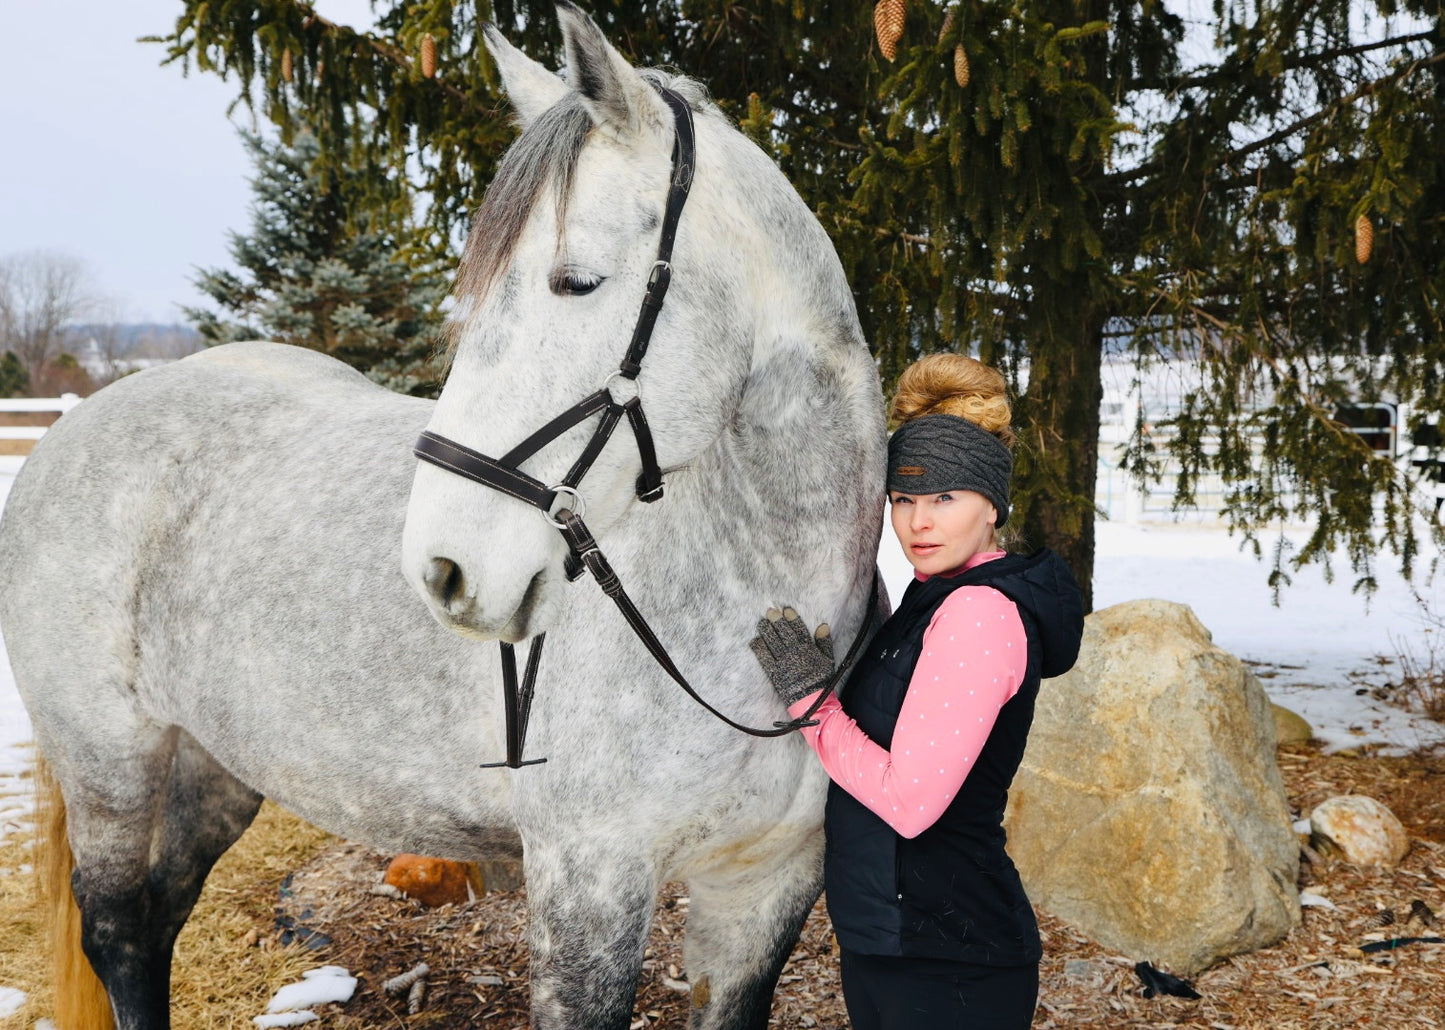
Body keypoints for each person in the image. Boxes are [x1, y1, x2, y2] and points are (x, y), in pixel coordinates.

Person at [750, 353, 1084, 1029]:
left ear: (991, 505)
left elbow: (909, 803)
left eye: (943, 498)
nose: (916, 523)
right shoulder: (935, 596)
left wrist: (811, 703)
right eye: (901, 500)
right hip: (898, 941)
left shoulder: (978, 614)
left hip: (948, 960)